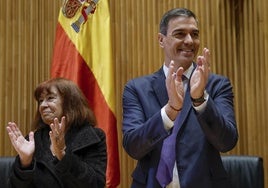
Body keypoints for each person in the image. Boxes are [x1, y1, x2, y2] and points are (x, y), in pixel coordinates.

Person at [122, 8, 238, 188]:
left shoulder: (217, 85)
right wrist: (169, 112)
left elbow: (227, 142)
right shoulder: (137, 89)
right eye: (180, 34)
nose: (190, 41)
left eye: (195, 34)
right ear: (161, 40)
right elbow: (133, 147)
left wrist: (200, 100)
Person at [6, 78, 107, 188]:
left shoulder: (93, 137)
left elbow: (95, 184)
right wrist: (25, 163)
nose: (43, 105)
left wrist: (63, 156)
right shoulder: (34, 140)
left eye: (50, 98)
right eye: (40, 100)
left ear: (70, 102)